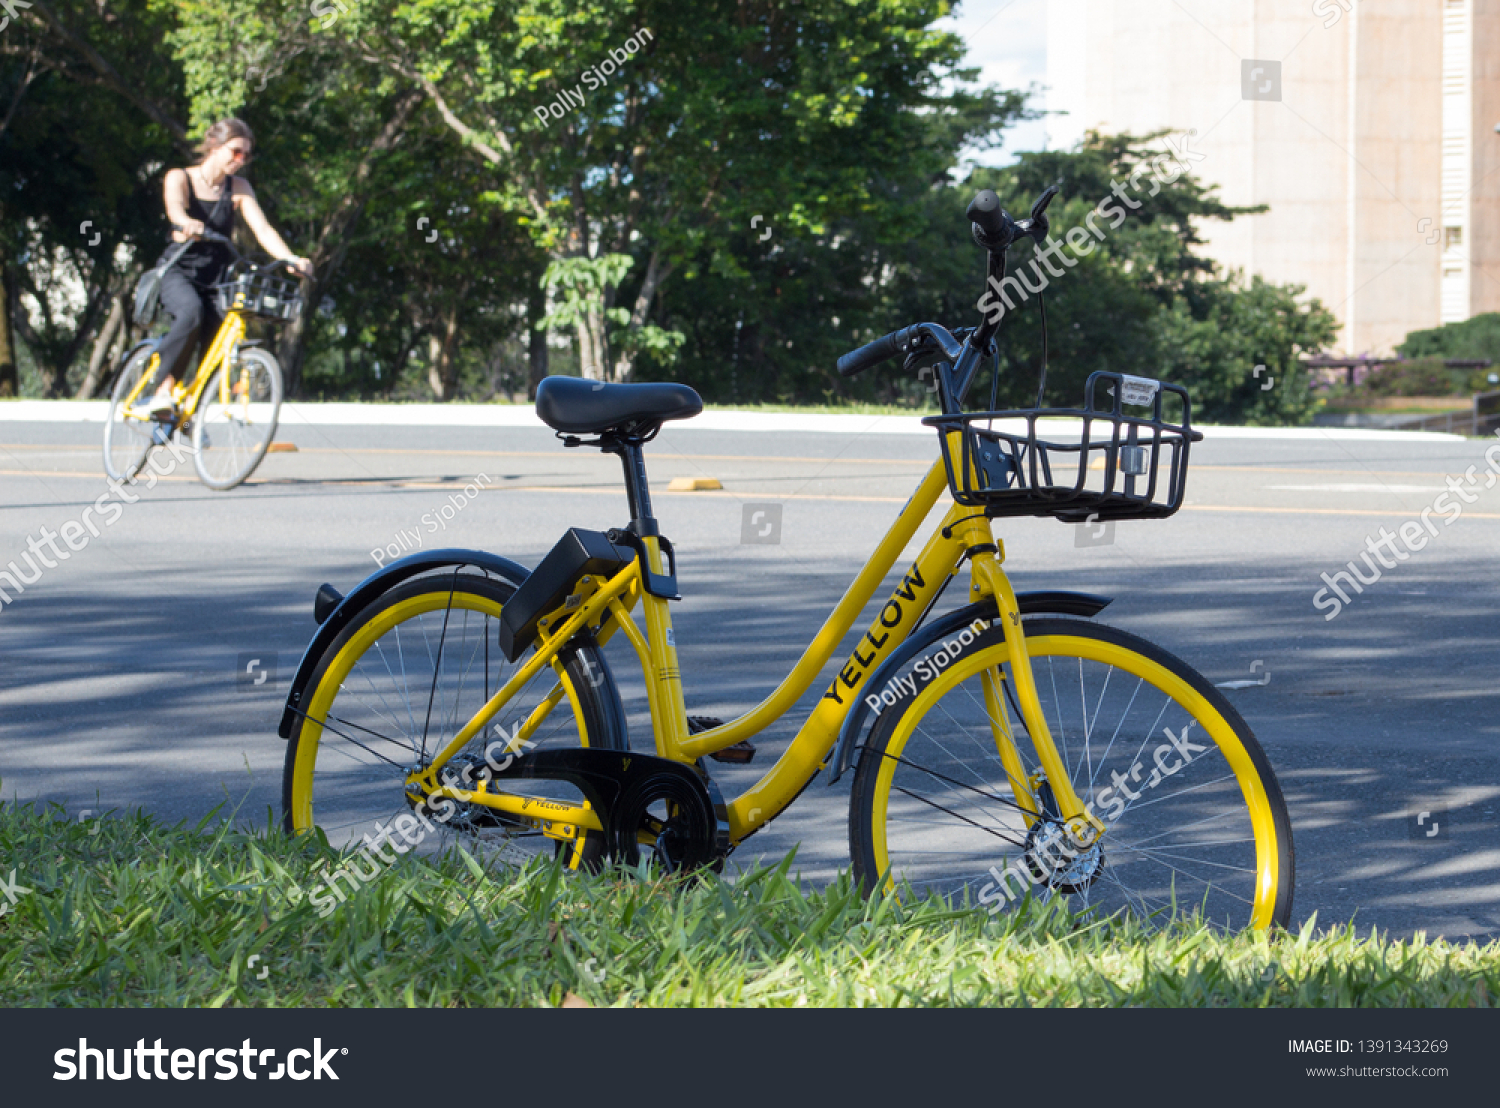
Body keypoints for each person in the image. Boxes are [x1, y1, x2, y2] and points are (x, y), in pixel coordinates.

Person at [150, 118, 311, 413]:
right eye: (235, 151)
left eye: (246, 156)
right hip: (180, 271)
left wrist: (291, 259)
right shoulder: (180, 177)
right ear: (214, 145)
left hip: (218, 279)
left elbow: (262, 230)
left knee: (219, 341)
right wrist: (186, 223)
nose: (240, 160)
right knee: (191, 314)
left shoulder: (238, 187)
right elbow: (175, 210)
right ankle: (162, 390)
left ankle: (192, 413)